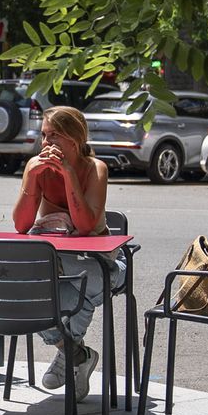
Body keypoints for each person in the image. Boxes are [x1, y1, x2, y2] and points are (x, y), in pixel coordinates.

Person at [12, 104, 123, 397]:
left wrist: (69, 174)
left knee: (76, 281)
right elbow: (22, 225)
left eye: (53, 136)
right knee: (26, 294)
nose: (45, 143)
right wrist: (33, 180)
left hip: (101, 266)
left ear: (74, 140)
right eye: (44, 135)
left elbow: (85, 226)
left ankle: (69, 357)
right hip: (61, 268)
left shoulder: (95, 169)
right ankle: (74, 354)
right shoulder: (36, 166)